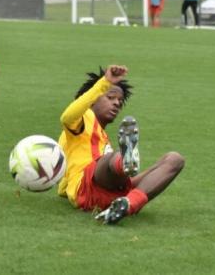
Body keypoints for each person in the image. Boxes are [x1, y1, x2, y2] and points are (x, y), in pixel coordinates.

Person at [57, 65, 185, 225]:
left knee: (175, 160)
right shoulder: (83, 119)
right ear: (91, 100)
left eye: (119, 101)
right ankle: (124, 161)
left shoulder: (101, 137)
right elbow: (66, 118)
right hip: (88, 188)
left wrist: (63, 188)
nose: (117, 103)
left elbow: (65, 176)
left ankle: (128, 203)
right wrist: (104, 83)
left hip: (113, 193)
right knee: (112, 157)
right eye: (110, 97)